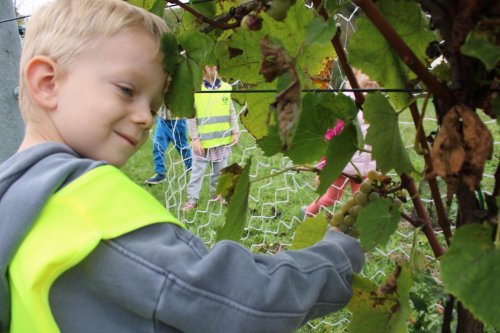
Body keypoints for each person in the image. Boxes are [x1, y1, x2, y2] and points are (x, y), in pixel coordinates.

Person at [0, 1, 364, 332]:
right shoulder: (87, 204)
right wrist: (337, 257)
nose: (145, 117)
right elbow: (242, 303)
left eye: (155, 106)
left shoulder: (14, 202)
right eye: (127, 89)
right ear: (47, 83)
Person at [304, 70, 377, 217]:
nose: (372, 81)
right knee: (331, 198)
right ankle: (307, 213)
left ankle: (351, 230)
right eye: (366, 75)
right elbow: (330, 137)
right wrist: (323, 167)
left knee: (361, 201)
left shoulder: (377, 107)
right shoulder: (345, 106)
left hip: (365, 167)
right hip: (342, 165)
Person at [181, 65, 239, 211]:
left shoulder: (225, 87)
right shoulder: (196, 90)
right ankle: (192, 200)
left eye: (214, 65)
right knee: (197, 173)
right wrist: (195, 139)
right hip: (202, 142)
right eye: (208, 65)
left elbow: (231, 111)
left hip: (221, 140)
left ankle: (217, 195)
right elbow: (191, 116)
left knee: (220, 172)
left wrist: (235, 131)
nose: (212, 67)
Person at [144, 105, 192, 185]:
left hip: (177, 121)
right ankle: (160, 173)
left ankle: (191, 168)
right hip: (162, 120)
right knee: (158, 145)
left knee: (183, 148)